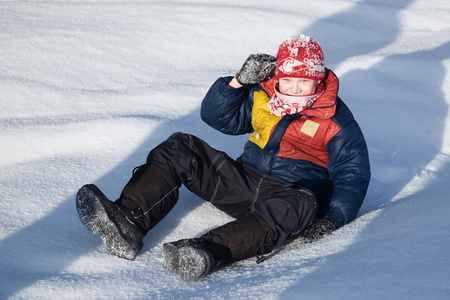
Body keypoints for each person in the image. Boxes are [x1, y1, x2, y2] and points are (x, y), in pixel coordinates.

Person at [76, 35, 370, 282]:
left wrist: (333, 219)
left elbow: (353, 172)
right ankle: (129, 221)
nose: (294, 88)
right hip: (242, 183)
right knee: (181, 146)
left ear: (318, 80)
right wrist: (238, 83)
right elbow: (220, 119)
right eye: (289, 79)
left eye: (304, 81)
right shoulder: (263, 94)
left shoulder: (334, 118)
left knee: (302, 201)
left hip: (289, 198)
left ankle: (207, 251)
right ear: (278, 76)